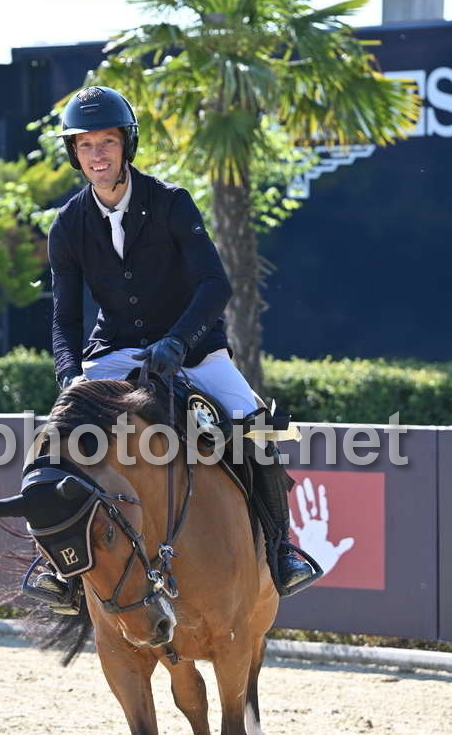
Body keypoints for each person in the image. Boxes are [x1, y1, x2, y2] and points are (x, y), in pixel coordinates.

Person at [45, 85, 320, 600]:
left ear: (126, 145)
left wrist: (176, 341)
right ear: (74, 153)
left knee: (253, 424)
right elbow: (64, 317)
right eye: (85, 145)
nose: (97, 155)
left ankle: (281, 550)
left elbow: (215, 285)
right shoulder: (67, 225)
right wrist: (69, 375)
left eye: (107, 142)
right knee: (56, 439)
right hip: (116, 352)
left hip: (192, 349)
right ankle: (60, 572)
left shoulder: (171, 202)